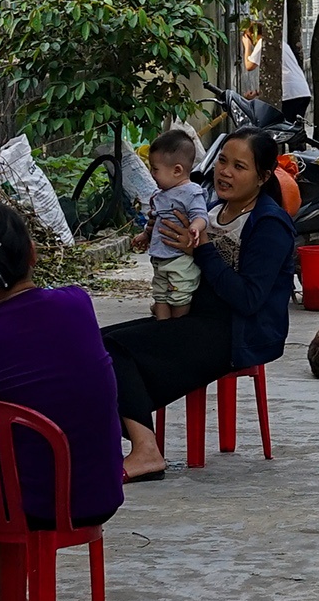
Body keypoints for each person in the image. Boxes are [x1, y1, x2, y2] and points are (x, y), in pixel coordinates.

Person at [0, 202, 123, 601]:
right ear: (33, 253)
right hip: (95, 494)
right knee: (16, 450)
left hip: (17, 508)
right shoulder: (78, 304)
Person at [101, 129, 295, 480]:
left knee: (118, 350)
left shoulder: (269, 223)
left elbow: (249, 299)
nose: (225, 172)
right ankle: (103, 443)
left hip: (235, 332)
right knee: (96, 342)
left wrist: (202, 249)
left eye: (239, 167)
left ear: (263, 177)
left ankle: (146, 452)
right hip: (195, 316)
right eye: (222, 161)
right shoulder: (211, 209)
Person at [129, 129, 209, 321]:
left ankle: (177, 328)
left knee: (180, 297)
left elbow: (201, 215)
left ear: (177, 170)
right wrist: (145, 235)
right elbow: (156, 221)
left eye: (155, 169)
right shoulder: (160, 195)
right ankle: (162, 329)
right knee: (160, 296)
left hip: (180, 260)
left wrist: (195, 227)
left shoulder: (191, 192)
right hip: (159, 258)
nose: (151, 174)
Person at [243, 22, 312, 120]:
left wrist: (247, 46)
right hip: (302, 91)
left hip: (289, 93)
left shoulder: (263, 43)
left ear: (252, 35)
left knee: (283, 125)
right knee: (294, 126)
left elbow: (249, 66)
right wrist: (257, 92)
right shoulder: (280, 43)